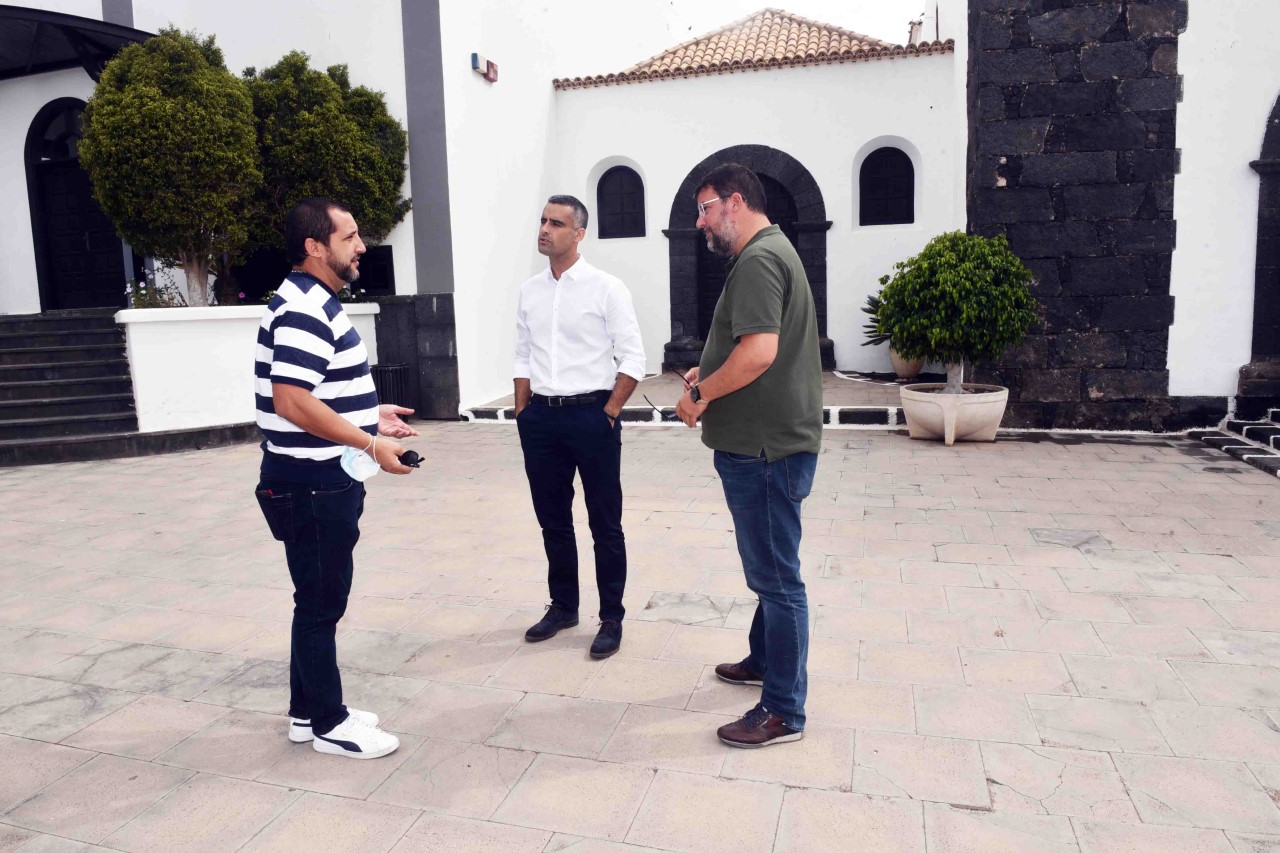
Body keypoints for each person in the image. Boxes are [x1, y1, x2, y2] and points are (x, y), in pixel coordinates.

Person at [254, 197, 417, 759]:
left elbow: (317, 392)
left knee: (316, 600)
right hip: (312, 482)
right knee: (322, 604)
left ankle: (305, 713)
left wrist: (372, 414)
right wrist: (372, 442)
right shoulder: (303, 308)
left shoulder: (313, 301)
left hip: (316, 478)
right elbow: (293, 401)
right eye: (349, 237)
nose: (362, 247)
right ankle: (329, 722)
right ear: (314, 247)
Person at [675, 164, 823, 748]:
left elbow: (760, 353)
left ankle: (784, 711)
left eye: (705, 207)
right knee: (771, 572)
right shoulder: (773, 249)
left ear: (735, 203)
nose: (700, 220)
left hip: (762, 449)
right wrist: (708, 367)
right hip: (768, 442)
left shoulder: (760, 259)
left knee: (777, 580)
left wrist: (700, 395)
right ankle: (765, 659)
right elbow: (754, 345)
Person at [513, 194, 646, 659]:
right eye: (543, 220)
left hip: (592, 417)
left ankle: (612, 617)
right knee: (552, 520)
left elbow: (633, 357)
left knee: (605, 523)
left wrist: (609, 411)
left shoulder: (606, 287)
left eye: (556, 223)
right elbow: (523, 353)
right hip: (541, 420)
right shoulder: (530, 290)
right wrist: (521, 410)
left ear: (578, 234)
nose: (545, 229)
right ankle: (564, 606)